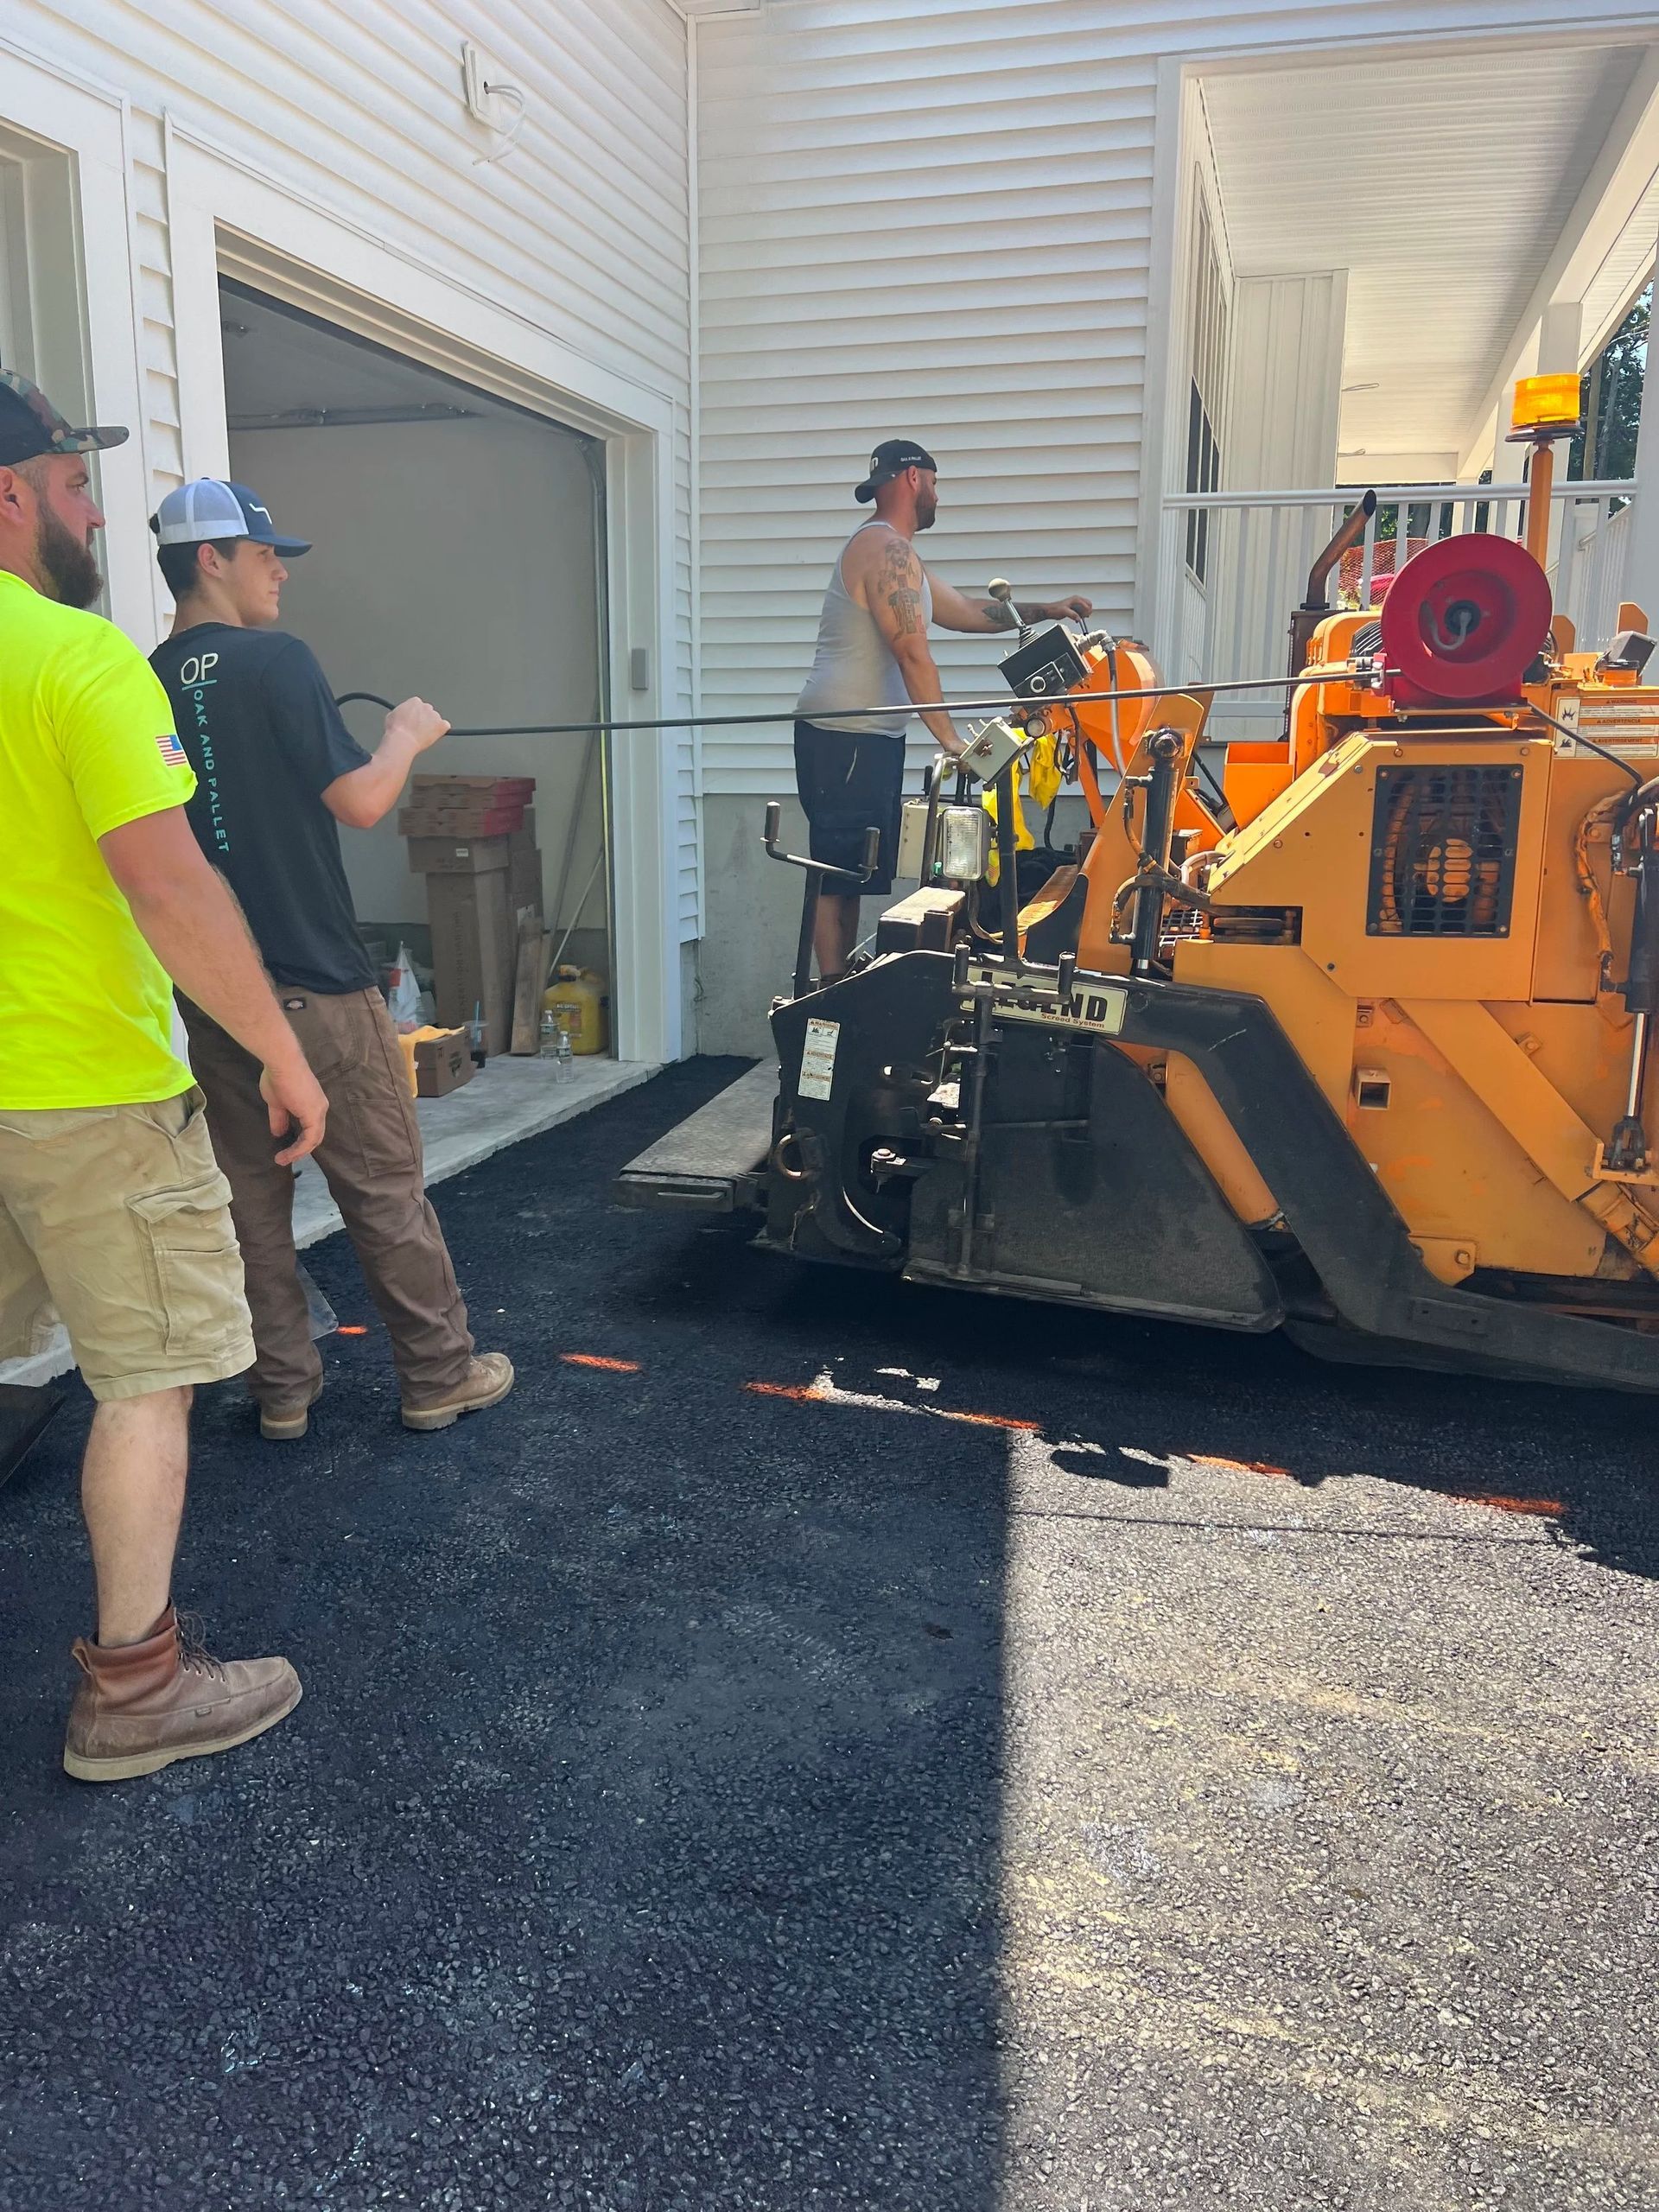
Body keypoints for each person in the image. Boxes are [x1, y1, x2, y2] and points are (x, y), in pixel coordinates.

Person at [0, 372, 331, 1782]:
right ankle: (135, 1690)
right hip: (85, 1092)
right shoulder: (73, 658)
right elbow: (168, 883)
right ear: (10, 494)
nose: (93, 513)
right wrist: (280, 1049)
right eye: (75, 485)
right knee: (148, 1379)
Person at [148, 479, 512, 1440]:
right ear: (210, 560)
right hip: (320, 991)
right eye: (265, 554)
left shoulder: (142, 680)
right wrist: (405, 737)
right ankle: (439, 1377)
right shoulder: (278, 661)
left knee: (252, 1206)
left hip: (216, 999)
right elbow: (360, 800)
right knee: (383, 1190)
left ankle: (282, 1392)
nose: (281, 571)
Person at [793, 438, 1094, 984]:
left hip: (870, 736)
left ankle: (841, 982)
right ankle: (829, 995)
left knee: (856, 870)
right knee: (835, 873)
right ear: (914, 478)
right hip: (843, 735)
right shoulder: (885, 550)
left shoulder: (901, 554)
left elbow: (966, 611)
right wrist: (952, 741)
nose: (937, 495)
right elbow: (911, 651)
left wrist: (1046, 610)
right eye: (935, 482)